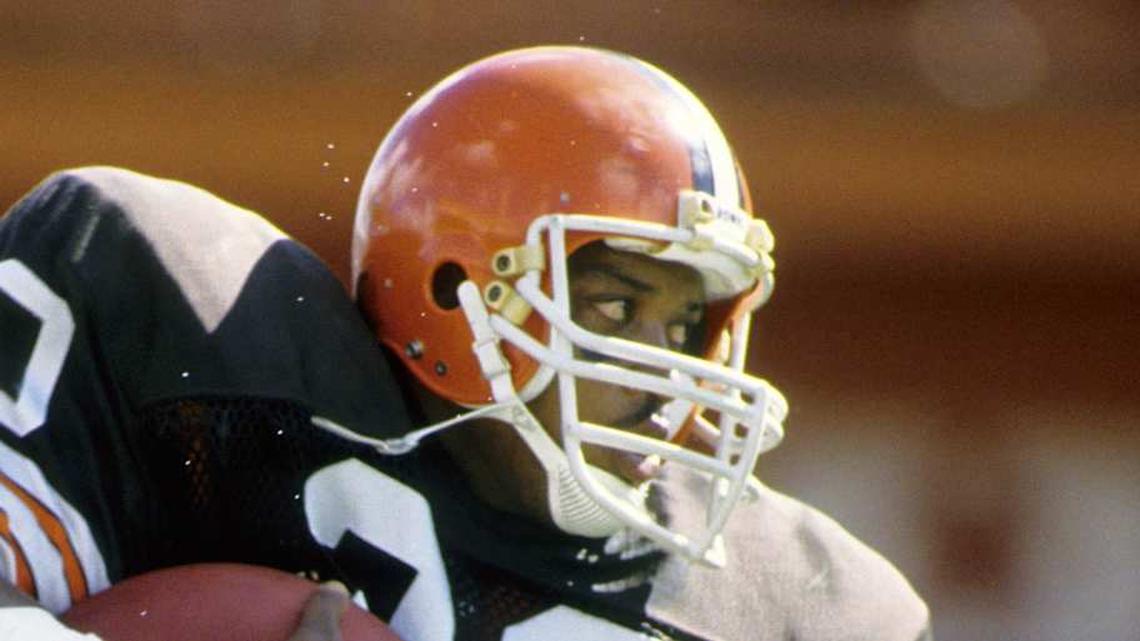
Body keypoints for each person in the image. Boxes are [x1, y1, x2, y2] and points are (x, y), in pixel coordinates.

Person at [0, 46, 932, 640]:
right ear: (454, 287)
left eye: (686, 323)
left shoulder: (807, 609)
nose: (667, 372)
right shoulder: (185, 334)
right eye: (612, 307)